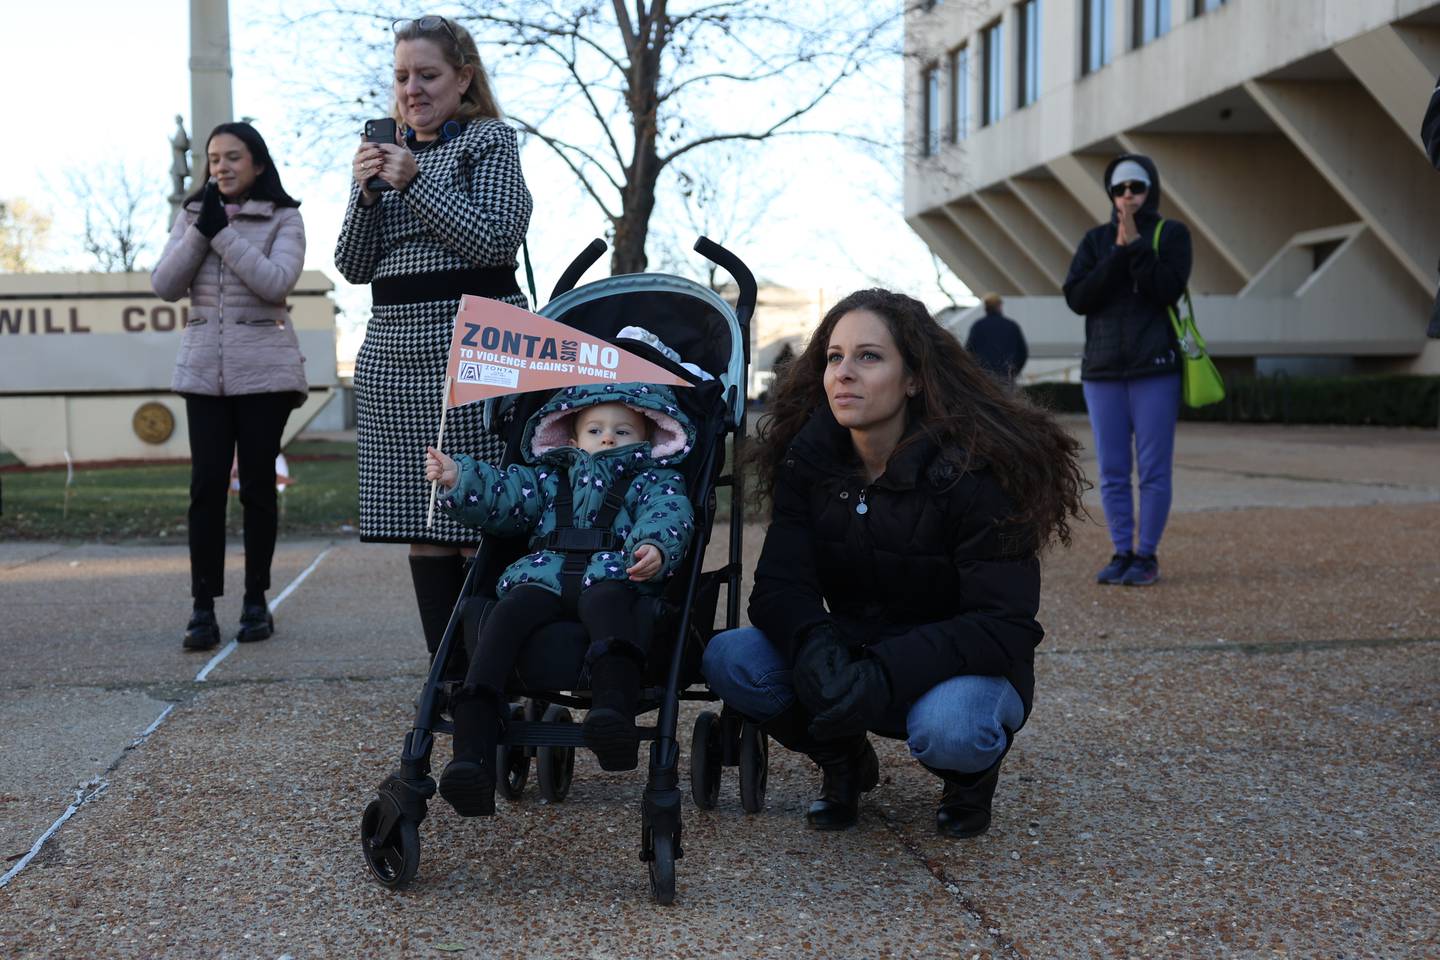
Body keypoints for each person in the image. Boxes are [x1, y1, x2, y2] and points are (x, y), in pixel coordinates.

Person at [702, 289, 1084, 837]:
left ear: (914, 379)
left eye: (869, 356)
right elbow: (780, 587)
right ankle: (843, 760)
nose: (844, 373)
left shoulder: (974, 473)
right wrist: (815, 647)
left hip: (958, 668)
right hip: (854, 647)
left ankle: (968, 781)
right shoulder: (810, 460)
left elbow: (1005, 626)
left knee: (952, 729)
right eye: (834, 357)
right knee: (730, 657)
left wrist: (886, 671)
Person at [334, 15, 533, 657]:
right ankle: (445, 686)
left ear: (463, 78)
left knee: (476, 513)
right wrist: (365, 197)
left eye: (427, 74)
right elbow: (354, 265)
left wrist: (416, 182)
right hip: (394, 353)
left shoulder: (489, 143)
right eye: (401, 77)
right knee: (420, 524)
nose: (411, 89)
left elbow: (495, 240)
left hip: (480, 345)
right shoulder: (382, 155)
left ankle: (493, 684)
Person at [423, 382, 696, 816]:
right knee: (505, 616)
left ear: (649, 437)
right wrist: (460, 478)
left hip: (612, 571)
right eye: (596, 430)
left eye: (623, 431)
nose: (608, 438)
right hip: (541, 573)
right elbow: (503, 496)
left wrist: (655, 548)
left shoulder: (653, 479)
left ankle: (612, 715)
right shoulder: (548, 477)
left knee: (610, 608)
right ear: (570, 438)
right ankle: (470, 756)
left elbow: (669, 514)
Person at [152, 122, 308, 651]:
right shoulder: (193, 216)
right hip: (203, 372)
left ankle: (255, 601)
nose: (220, 166)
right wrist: (202, 229)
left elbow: (275, 283)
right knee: (205, 487)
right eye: (213, 158)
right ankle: (202, 608)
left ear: (258, 164)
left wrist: (222, 233)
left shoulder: (285, 217)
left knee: (258, 487)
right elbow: (165, 285)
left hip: (264, 373)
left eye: (233, 157)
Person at [1062, 154, 1192, 587]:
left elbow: (1166, 289)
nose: (1128, 196)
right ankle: (1121, 552)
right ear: (1111, 194)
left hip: (1155, 367)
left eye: (1136, 187)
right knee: (1113, 471)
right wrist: (1117, 252)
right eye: (1120, 189)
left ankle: (1146, 555)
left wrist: (1137, 244)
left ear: (1150, 189)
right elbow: (1078, 297)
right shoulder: (1095, 240)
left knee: (1153, 470)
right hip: (1102, 371)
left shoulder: (1171, 234)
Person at [964, 293, 1029, 385]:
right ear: (1000, 306)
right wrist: (1013, 372)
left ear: (986, 307)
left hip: (984, 380)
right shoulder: (1012, 326)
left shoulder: (978, 326)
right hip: (1006, 378)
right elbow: (1023, 353)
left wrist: (976, 372)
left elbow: (968, 353)